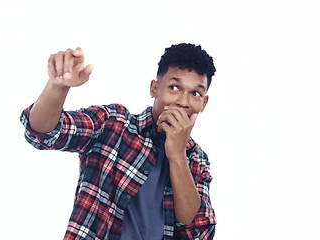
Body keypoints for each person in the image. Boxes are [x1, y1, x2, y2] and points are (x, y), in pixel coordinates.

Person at [19, 43, 217, 240]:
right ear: (154, 88)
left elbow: (198, 231)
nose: (183, 101)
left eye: (195, 93)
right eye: (174, 87)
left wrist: (177, 155)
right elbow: (44, 132)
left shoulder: (196, 159)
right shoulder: (115, 124)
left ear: (204, 103)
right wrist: (58, 86)